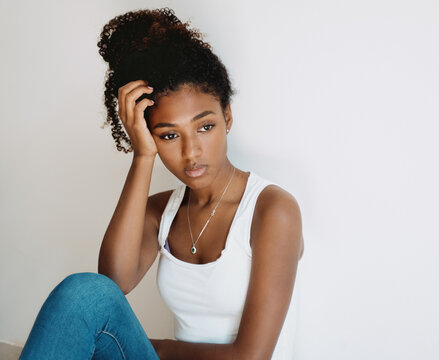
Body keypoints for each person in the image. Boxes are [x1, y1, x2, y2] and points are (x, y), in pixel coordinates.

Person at [19, 7, 303, 360]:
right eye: (169, 135)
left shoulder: (272, 210)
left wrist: (158, 349)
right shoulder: (162, 211)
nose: (191, 152)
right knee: (84, 292)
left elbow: (252, 356)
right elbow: (111, 286)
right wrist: (142, 157)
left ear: (227, 116)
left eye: (205, 126)